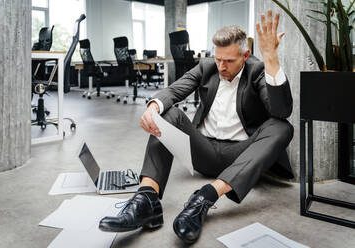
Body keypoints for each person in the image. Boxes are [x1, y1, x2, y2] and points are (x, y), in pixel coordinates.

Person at [99, 10, 294, 244]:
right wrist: (152, 108)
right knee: (166, 113)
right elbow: (173, 91)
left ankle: (205, 197)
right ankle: (147, 198)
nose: (221, 66)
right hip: (204, 151)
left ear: (246, 55)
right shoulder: (207, 67)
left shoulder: (257, 70)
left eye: (229, 61)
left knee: (282, 127)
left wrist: (271, 58)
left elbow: (281, 111)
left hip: (242, 154)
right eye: (218, 58)